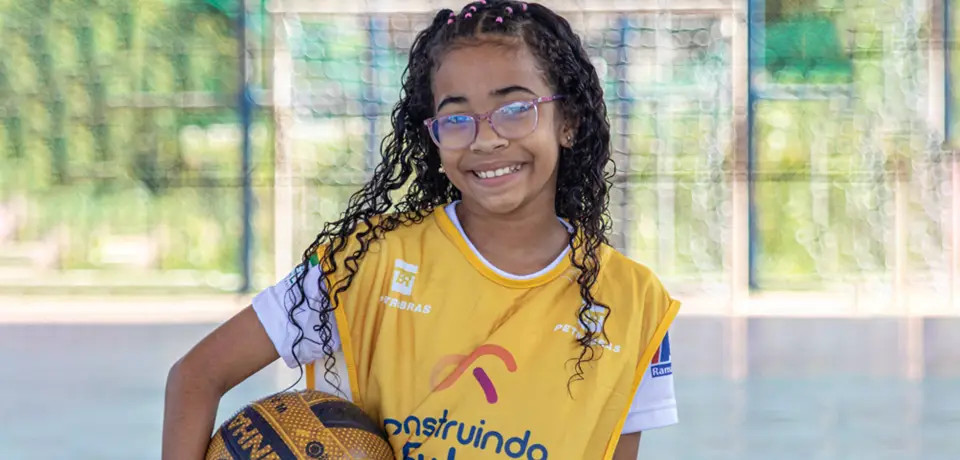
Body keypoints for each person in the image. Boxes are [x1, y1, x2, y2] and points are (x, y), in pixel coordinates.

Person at [162, 1, 681, 459]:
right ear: (431, 135)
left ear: (567, 121)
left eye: (515, 109)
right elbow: (195, 376)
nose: (486, 139)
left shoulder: (632, 304)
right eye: (456, 118)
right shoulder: (362, 262)